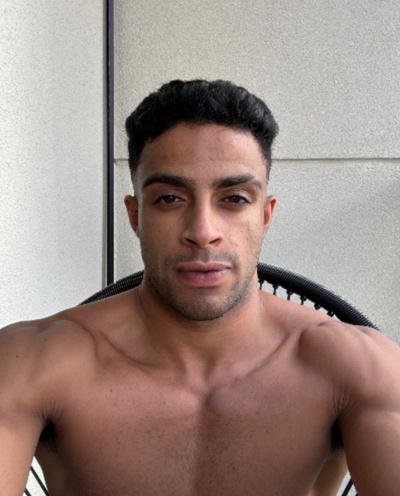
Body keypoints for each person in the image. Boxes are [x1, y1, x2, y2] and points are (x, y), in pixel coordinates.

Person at [1, 79, 400, 496]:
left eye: (235, 198)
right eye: (169, 198)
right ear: (136, 216)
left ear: (265, 215)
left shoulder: (355, 368)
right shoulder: (30, 363)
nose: (203, 231)